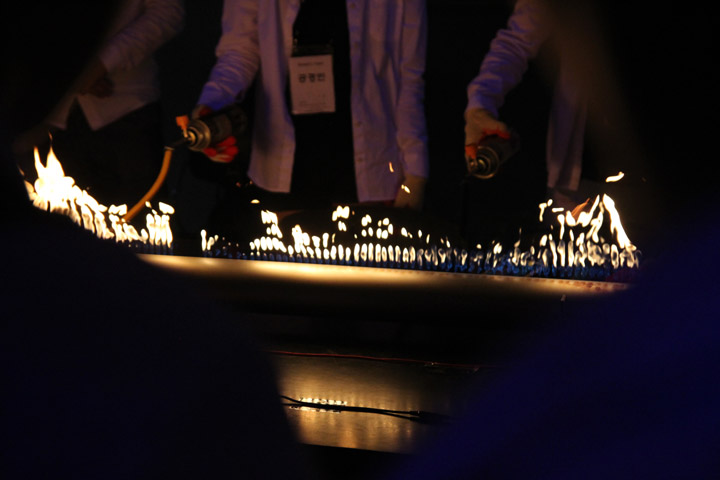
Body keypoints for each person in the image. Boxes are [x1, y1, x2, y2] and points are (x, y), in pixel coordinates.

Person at [1, 2, 310, 478]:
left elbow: (168, 13)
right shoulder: (203, 359)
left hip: (125, 115)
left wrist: (101, 65)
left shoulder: (190, 355)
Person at [193, 0, 430, 214]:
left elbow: (410, 77)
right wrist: (211, 105)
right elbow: (239, 51)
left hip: (371, 165)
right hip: (285, 160)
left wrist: (415, 172)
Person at [12, 0, 185, 210]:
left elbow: (168, 13)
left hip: (125, 110)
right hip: (43, 114)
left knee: (142, 218)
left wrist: (102, 63)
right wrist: (69, 71)